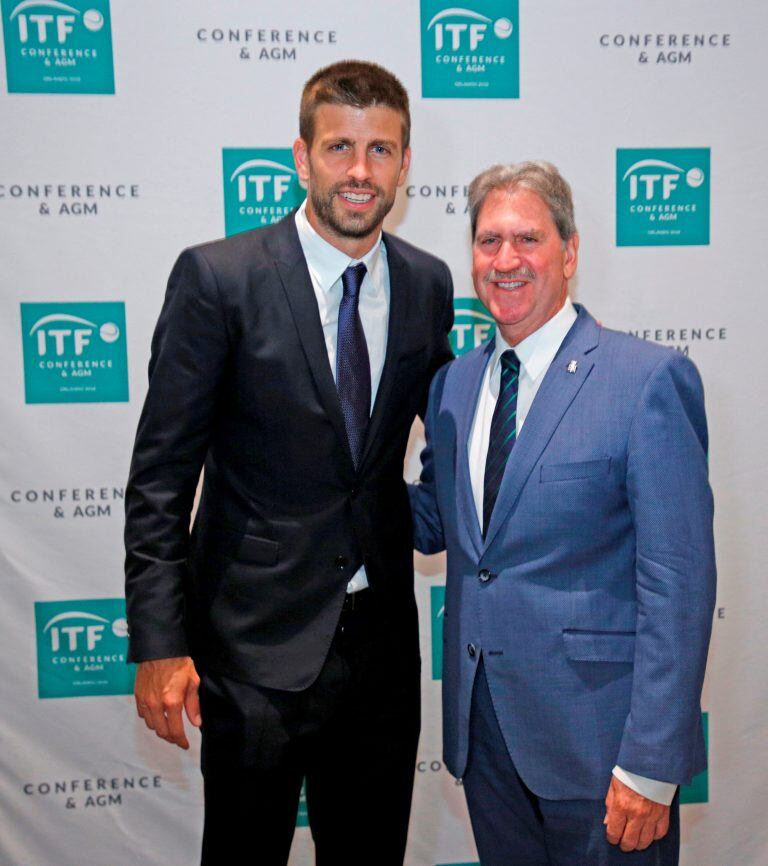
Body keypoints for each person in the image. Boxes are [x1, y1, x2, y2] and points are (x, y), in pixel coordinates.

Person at [124, 60, 454, 865]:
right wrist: (160, 644)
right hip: (249, 650)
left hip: (380, 650)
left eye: (381, 151)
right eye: (340, 146)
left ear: (405, 165)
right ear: (302, 157)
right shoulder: (218, 278)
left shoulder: (428, 284)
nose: (359, 170)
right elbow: (162, 476)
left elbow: (440, 434)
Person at [409, 161, 715, 865]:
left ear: (569, 252)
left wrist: (650, 762)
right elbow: (435, 522)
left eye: (527, 239)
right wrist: (309, 473)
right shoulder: (453, 385)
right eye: (488, 242)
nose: (505, 260)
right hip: (485, 739)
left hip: (604, 750)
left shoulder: (645, 381)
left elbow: (680, 586)